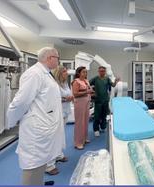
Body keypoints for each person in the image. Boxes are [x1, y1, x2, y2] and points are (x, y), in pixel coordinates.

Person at [7, 47, 65, 185]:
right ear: (50, 58)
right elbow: (20, 102)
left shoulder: (45, 73)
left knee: (41, 163)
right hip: (37, 129)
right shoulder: (34, 74)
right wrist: (11, 121)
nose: (58, 61)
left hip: (45, 125)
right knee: (33, 165)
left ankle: (39, 182)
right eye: (57, 58)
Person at [44, 65, 72, 175]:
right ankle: (49, 165)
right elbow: (51, 99)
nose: (67, 73)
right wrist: (66, 99)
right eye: (64, 71)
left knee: (60, 135)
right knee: (53, 138)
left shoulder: (64, 83)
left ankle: (58, 155)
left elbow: (68, 95)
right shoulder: (53, 84)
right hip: (55, 114)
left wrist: (69, 98)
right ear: (59, 73)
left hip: (64, 112)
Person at [90, 66, 120, 137]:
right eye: (100, 71)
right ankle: (96, 129)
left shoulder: (107, 79)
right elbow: (88, 84)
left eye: (103, 71)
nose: (102, 72)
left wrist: (116, 81)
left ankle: (103, 127)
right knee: (97, 116)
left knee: (104, 115)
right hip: (98, 100)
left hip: (105, 100)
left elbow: (113, 85)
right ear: (98, 71)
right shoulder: (95, 79)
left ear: (105, 72)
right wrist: (92, 91)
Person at [72, 66, 94, 150]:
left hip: (87, 102)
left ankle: (84, 138)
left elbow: (88, 90)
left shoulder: (86, 81)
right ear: (79, 73)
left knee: (85, 121)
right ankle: (78, 143)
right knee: (79, 123)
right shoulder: (76, 82)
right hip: (80, 103)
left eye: (86, 72)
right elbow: (75, 94)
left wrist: (91, 91)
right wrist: (87, 92)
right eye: (83, 72)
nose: (85, 73)